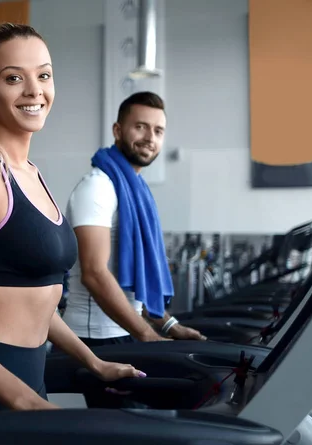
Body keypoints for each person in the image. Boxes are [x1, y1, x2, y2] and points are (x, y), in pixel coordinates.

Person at [0, 23, 145, 417]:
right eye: (13, 78)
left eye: (43, 75)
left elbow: (36, 300)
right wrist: (25, 401)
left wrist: (92, 361)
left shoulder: (31, 173)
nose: (34, 90)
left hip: (29, 386)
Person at [62, 91, 207, 348]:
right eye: (140, 127)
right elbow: (94, 273)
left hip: (123, 330)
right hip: (96, 335)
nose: (150, 138)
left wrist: (170, 326)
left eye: (158, 131)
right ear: (117, 130)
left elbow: (135, 287)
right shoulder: (97, 187)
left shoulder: (134, 190)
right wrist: (147, 335)